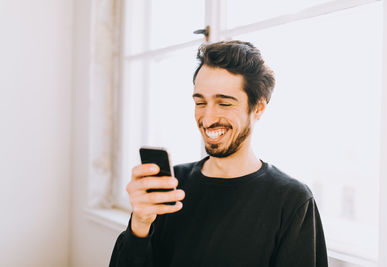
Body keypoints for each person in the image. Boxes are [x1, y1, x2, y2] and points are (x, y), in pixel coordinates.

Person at [109, 40, 328, 267]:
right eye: (200, 102)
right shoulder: (171, 186)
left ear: (259, 107)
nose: (208, 118)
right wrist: (140, 224)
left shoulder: (292, 201)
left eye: (224, 103)